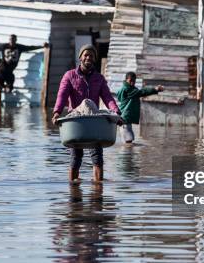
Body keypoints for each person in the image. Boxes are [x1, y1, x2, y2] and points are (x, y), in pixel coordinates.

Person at [52, 44, 122, 183]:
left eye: (91, 55)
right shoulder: (70, 75)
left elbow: (108, 97)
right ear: (80, 58)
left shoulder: (99, 78)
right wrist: (57, 112)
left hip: (93, 120)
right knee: (76, 157)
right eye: (86, 55)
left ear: (94, 59)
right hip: (77, 120)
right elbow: (62, 95)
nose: (88, 57)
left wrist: (116, 113)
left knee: (97, 156)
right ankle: (73, 190)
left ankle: (97, 191)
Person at [116, 72, 163, 143]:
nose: (132, 83)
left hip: (125, 119)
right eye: (130, 81)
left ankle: (127, 153)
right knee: (128, 142)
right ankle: (127, 154)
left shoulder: (127, 88)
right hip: (124, 119)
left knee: (128, 142)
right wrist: (155, 89)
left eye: (134, 81)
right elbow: (141, 92)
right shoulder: (127, 89)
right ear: (126, 80)